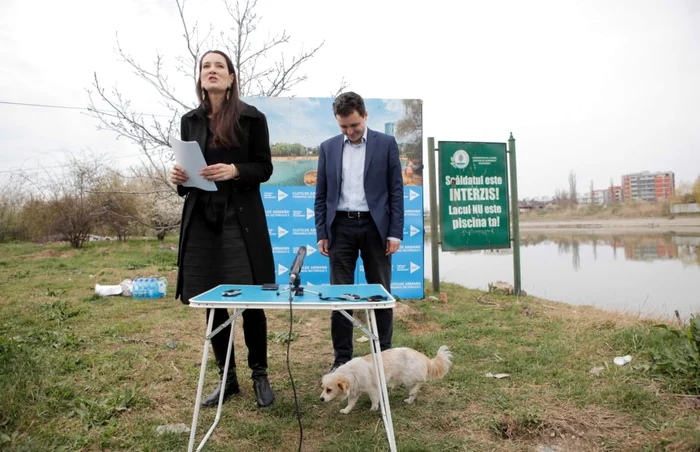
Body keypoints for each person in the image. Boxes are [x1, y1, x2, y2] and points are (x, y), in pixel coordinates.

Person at [169, 50, 275, 408]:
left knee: (251, 302)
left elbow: (264, 168)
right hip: (201, 218)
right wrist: (179, 177)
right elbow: (189, 171)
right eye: (205, 66)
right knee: (213, 302)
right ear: (200, 78)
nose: (211, 71)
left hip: (240, 219)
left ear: (231, 78)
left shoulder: (252, 117)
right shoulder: (190, 120)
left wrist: (234, 171)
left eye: (219, 66)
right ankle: (227, 378)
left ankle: (260, 373)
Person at [314, 92, 404, 373]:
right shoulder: (328, 148)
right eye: (344, 127)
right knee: (339, 297)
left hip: (376, 228)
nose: (350, 132)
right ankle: (342, 359)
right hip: (339, 228)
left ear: (365, 116)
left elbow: (396, 191)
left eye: (354, 125)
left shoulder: (386, 144)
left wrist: (395, 233)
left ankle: (384, 358)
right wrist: (322, 232)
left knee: (380, 294)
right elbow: (322, 194)